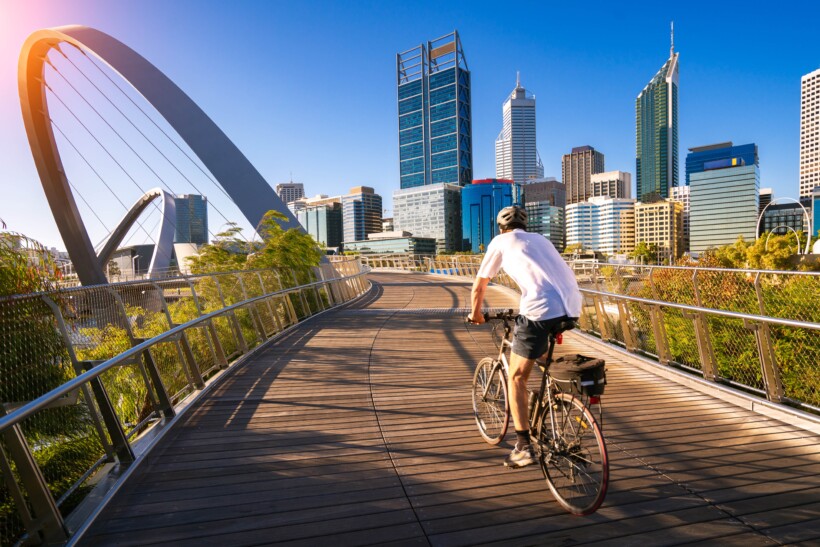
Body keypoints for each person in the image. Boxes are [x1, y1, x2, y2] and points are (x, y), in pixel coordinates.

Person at [467, 205, 582, 468]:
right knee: (538, 354)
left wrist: (476, 314)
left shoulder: (500, 241)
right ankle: (555, 396)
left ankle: (523, 447)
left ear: (501, 227)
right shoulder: (541, 240)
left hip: (540, 310)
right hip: (572, 306)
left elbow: (480, 284)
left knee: (516, 377)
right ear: (525, 226)